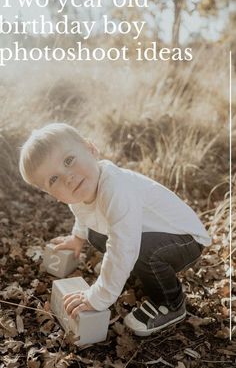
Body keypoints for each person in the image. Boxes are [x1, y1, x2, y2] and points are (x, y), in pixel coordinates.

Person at [19, 122, 211, 336]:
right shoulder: (80, 192)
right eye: (54, 179)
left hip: (186, 240)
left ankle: (171, 303)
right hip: (151, 235)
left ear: (91, 149)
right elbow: (85, 216)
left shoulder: (116, 188)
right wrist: (77, 237)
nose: (67, 177)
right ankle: (133, 272)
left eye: (69, 160)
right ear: (52, 195)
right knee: (96, 234)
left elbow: (123, 246)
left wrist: (98, 297)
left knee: (140, 250)